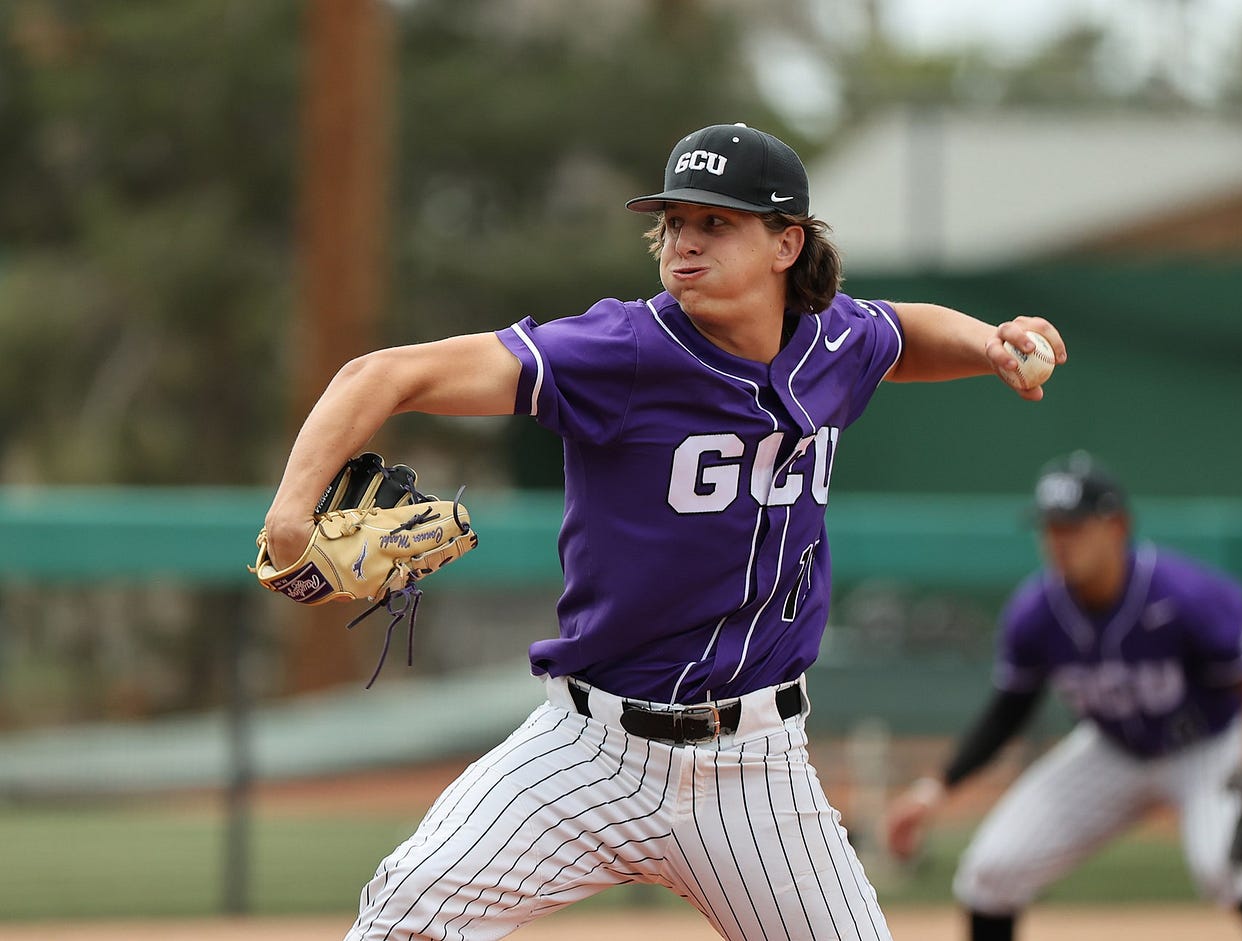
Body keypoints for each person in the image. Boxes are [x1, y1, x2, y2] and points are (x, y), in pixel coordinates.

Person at [261, 122, 1066, 940]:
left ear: (787, 243)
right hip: (587, 749)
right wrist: (293, 510)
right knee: (403, 918)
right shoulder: (619, 350)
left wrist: (990, 344)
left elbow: (901, 334)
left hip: (754, 766)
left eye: (715, 223)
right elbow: (386, 374)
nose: (684, 243)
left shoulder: (834, 340)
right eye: (674, 222)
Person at [882, 451, 1242, 941]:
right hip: (1112, 750)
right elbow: (1009, 710)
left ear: (1117, 526)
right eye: (1050, 527)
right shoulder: (1035, 613)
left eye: (1074, 526)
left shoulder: (1186, 594)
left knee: (1226, 867)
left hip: (1206, 748)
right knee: (991, 870)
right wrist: (935, 790)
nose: (1058, 541)